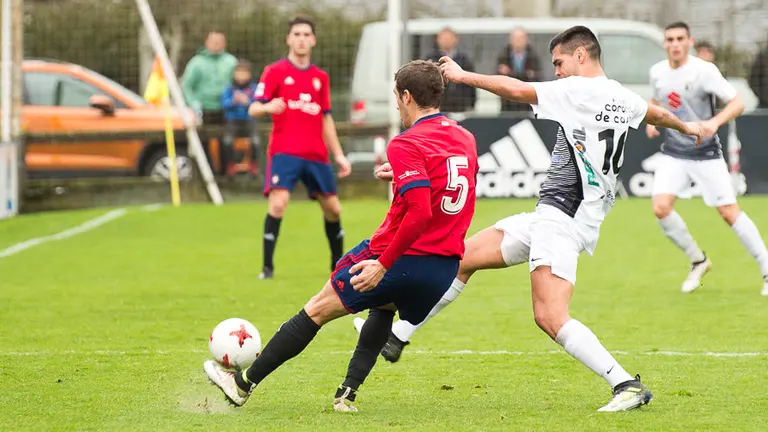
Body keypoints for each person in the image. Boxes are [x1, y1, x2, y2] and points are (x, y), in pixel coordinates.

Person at [357, 25, 707, 412]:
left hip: (564, 220)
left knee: (550, 316)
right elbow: (654, 112)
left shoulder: (578, 89)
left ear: (580, 56)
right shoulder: (620, 95)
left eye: (559, 62)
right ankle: (399, 336)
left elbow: (516, 89)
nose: (556, 71)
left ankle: (625, 384)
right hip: (554, 215)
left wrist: (462, 76)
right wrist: (685, 125)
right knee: (461, 258)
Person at [203, 59, 479, 413]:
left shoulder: (405, 142)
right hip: (442, 271)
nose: (396, 103)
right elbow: (450, 183)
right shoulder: (464, 137)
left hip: (401, 257)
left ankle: (242, 384)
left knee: (316, 310)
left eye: (396, 96)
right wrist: (404, 174)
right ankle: (347, 393)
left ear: (407, 96)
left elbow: (421, 211)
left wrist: (381, 264)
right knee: (384, 307)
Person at [647, 22, 768, 295]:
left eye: (680, 39)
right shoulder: (657, 72)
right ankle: (698, 260)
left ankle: (767, 269)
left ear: (689, 42)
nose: (675, 44)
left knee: (729, 213)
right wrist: (653, 121)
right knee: (660, 208)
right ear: (664, 44)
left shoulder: (704, 71)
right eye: (669, 39)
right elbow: (657, 101)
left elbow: (738, 102)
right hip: (674, 153)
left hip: (706, 154)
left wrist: (714, 122)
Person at [248, 17, 352, 279]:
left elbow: (326, 117)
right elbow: (253, 107)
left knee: (334, 209)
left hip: (316, 154)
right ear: (289, 39)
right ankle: (267, 268)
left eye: (307, 34)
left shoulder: (320, 78)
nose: (302, 39)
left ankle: (336, 266)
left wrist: (338, 155)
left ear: (313, 40)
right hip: (284, 152)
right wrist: (267, 107)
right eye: (297, 34)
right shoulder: (275, 72)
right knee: (278, 204)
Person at [181, 30, 238, 123]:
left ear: (224, 43)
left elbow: (239, 83)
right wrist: (193, 104)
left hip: (227, 111)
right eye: (213, 41)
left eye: (219, 42)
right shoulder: (196, 62)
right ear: (207, 42)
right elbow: (187, 85)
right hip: (202, 111)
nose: (216, 44)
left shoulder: (231, 62)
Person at [221, 60, 260, 176]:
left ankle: (254, 165)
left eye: (244, 73)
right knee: (227, 141)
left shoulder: (254, 88)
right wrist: (234, 101)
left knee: (255, 141)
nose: (242, 76)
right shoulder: (229, 88)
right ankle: (230, 165)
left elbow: (258, 103)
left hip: (249, 120)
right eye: (239, 72)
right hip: (233, 121)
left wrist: (247, 102)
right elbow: (224, 104)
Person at [425, 28, 476, 114]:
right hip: (437, 107)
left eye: (449, 38)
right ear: (437, 39)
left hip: (460, 108)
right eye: (444, 38)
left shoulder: (464, 60)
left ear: (456, 39)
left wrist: (471, 104)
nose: (446, 41)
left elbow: (471, 84)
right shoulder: (430, 60)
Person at [496, 27, 541, 112]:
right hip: (508, 103)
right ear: (510, 40)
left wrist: (510, 73)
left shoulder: (533, 57)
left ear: (526, 39)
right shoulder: (503, 56)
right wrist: (525, 75)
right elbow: (498, 77)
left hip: (527, 104)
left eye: (521, 38)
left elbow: (536, 78)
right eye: (515, 38)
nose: (518, 41)